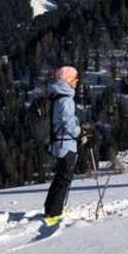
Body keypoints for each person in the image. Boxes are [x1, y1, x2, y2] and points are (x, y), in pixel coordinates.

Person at [44, 65, 86, 226]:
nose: (77, 82)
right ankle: (54, 213)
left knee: (60, 177)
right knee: (64, 178)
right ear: (67, 80)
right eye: (75, 79)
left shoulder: (56, 96)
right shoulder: (66, 99)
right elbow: (68, 123)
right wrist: (80, 132)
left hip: (58, 142)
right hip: (65, 143)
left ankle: (52, 209)